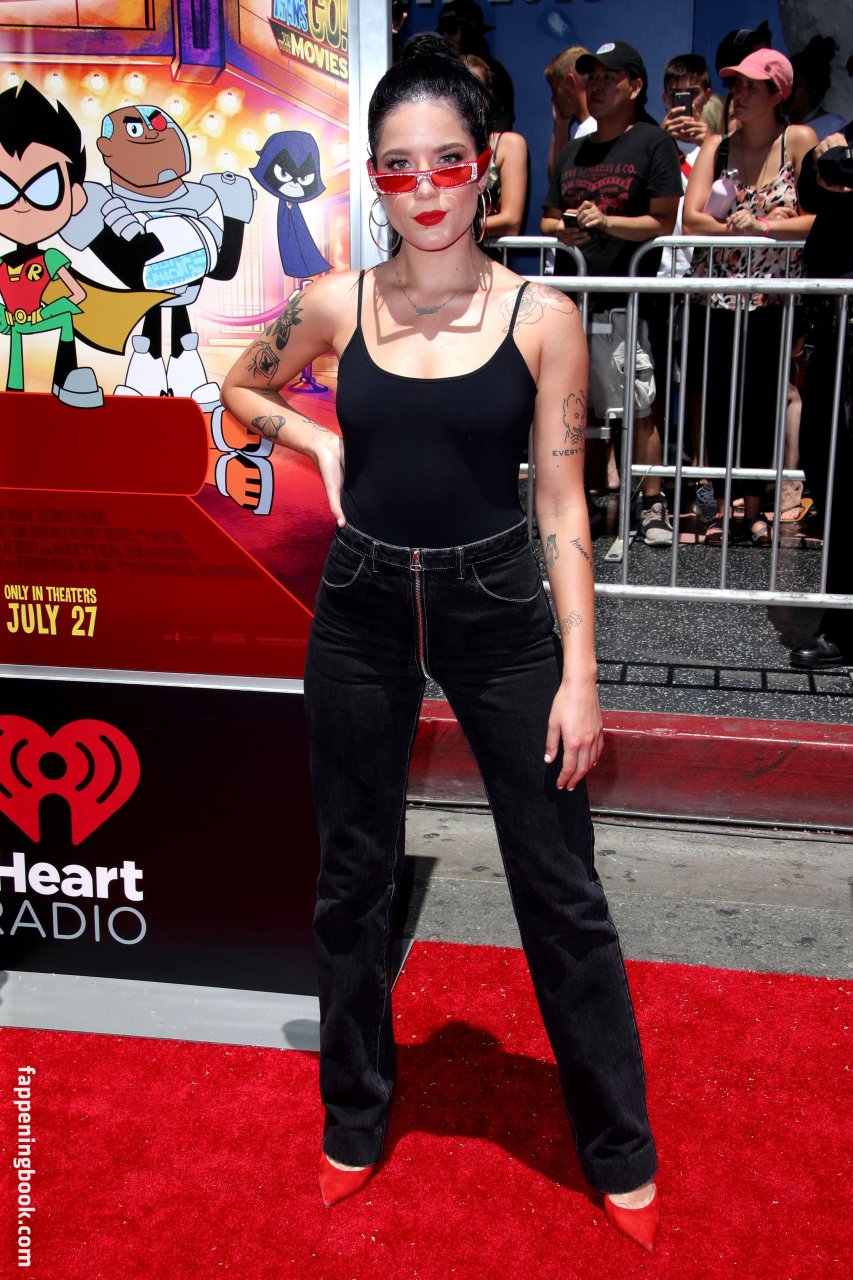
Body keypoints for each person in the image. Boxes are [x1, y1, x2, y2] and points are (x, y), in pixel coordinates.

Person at [221, 33, 660, 1252]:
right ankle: (355, 1114)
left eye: (447, 162)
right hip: (360, 606)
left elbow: (562, 503)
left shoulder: (543, 316)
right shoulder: (333, 303)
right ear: (373, 176)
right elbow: (242, 389)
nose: (423, 188)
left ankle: (618, 1145)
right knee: (351, 877)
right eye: (398, 167)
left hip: (499, 612)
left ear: (484, 168)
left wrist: (581, 673)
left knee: (559, 884)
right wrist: (316, 439)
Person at [541, 41, 682, 544]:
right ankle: (578, 498)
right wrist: (566, 231)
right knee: (575, 407)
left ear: (635, 86)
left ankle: (652, 503)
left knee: (638, 407)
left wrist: (607, 222)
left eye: (608, 78)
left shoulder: (653, 142)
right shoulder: (573, 150)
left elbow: (663, 219)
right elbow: (547, 218)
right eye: (591, 78)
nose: (596, 87)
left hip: (629, 303)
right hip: (574, 304)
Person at [683, 49, 817, 547]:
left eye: (751, 86)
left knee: (763, 402)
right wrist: (737, 229)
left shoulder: (798, 140)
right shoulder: (716, 146)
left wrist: (761, 226)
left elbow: (819, 218)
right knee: (718, 400)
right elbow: (691, 218)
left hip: (774, 297)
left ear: (777, 94)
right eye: (735, 84)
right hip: (717, 295)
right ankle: (721, 506)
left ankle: (756, 509)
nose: (738, 94)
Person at [789, 125, 853, 668]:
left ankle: (843, 627)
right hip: (834, 333)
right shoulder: (841, 138)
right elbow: (814, 188)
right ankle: (841, 620)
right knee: (830, 471)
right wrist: (822, 160)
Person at [462, 54, 528, 237]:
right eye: (461, 87)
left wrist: (454, 230)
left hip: (487, 254)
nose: (469, 95)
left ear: (488, 94)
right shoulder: (439, 148)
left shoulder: (508, 145)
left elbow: (511, 222)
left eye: (477, 87)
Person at [436, 0, 515, 130]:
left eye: (451, 29)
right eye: (441, 31)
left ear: (469, 31)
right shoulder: (441, 73)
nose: (445, 37)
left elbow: (502, 124)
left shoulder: (495, 73)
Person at [544, 46, 596, 184]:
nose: (554, 99)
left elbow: (560, 183)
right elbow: (556, 183)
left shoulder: (595, 131)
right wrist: (560, 125)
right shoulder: (585, 130)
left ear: (570, 82)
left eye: (555, 90)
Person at [785, 37, 846, 142]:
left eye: (795, 85)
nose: (788, 92)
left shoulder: (833, 127)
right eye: (785, 84)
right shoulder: (778, 127)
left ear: (815, 87)